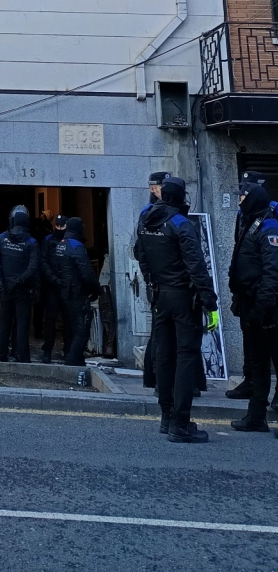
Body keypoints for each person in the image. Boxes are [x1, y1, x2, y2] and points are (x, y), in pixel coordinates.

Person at [135, 175, 219, 443]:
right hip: (184, 297)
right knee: (186, 357)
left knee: (165, 355)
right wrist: (210, 302)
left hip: (160, 297)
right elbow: (197, 265)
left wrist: (152, 285)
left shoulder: (146, 220)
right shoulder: (181, 223)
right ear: (181, 197)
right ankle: (181, 423)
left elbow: (141, 257)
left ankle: (166, 416)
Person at [228, 182, 278, 432]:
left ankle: (262, 415)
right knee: (257, 363)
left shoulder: (269, 226)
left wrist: (262, 307)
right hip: (250, 303)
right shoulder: (250, 221)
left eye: (243, 196)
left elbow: (272, 272)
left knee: (269, 360)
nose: (239, 201)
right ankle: (256, 416)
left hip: (266, 307)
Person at [0, 205, 40, 363]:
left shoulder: (2, 238)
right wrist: (19, 281)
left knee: (4, 324)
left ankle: (1, 356)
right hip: (22, 290)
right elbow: (33, 267)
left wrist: (1, 282)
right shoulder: (31, 242)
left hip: (5, 289)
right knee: (22, 326)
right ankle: (23, 358)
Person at [134, 171, 171, 388]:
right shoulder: (149, 213)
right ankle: (156, 378)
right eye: (162, 185)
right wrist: (150, 277)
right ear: (153, 188)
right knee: (160, 332)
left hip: (167, 281)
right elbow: (141, 249)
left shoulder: (169, 211)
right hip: (160, 282)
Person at [56, 216, 100, 366]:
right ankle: (72, 361)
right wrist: (96, 289)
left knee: (70, 328)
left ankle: (72, 357)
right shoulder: (77, 246)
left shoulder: (61, 244)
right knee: (82, 329)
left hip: (64, 291)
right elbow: (86, 273)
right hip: (76, 292)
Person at [41, 214, 67, 362]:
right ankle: (47, 350)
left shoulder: (70, 241)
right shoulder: (48, 240)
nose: (59, 228)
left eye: (61, 226)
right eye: (57, 225)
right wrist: (53, 279)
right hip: (52, 286)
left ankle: (67, 349)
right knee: (50, 320)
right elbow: (43, 261)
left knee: (67, 320)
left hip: (66, 286)